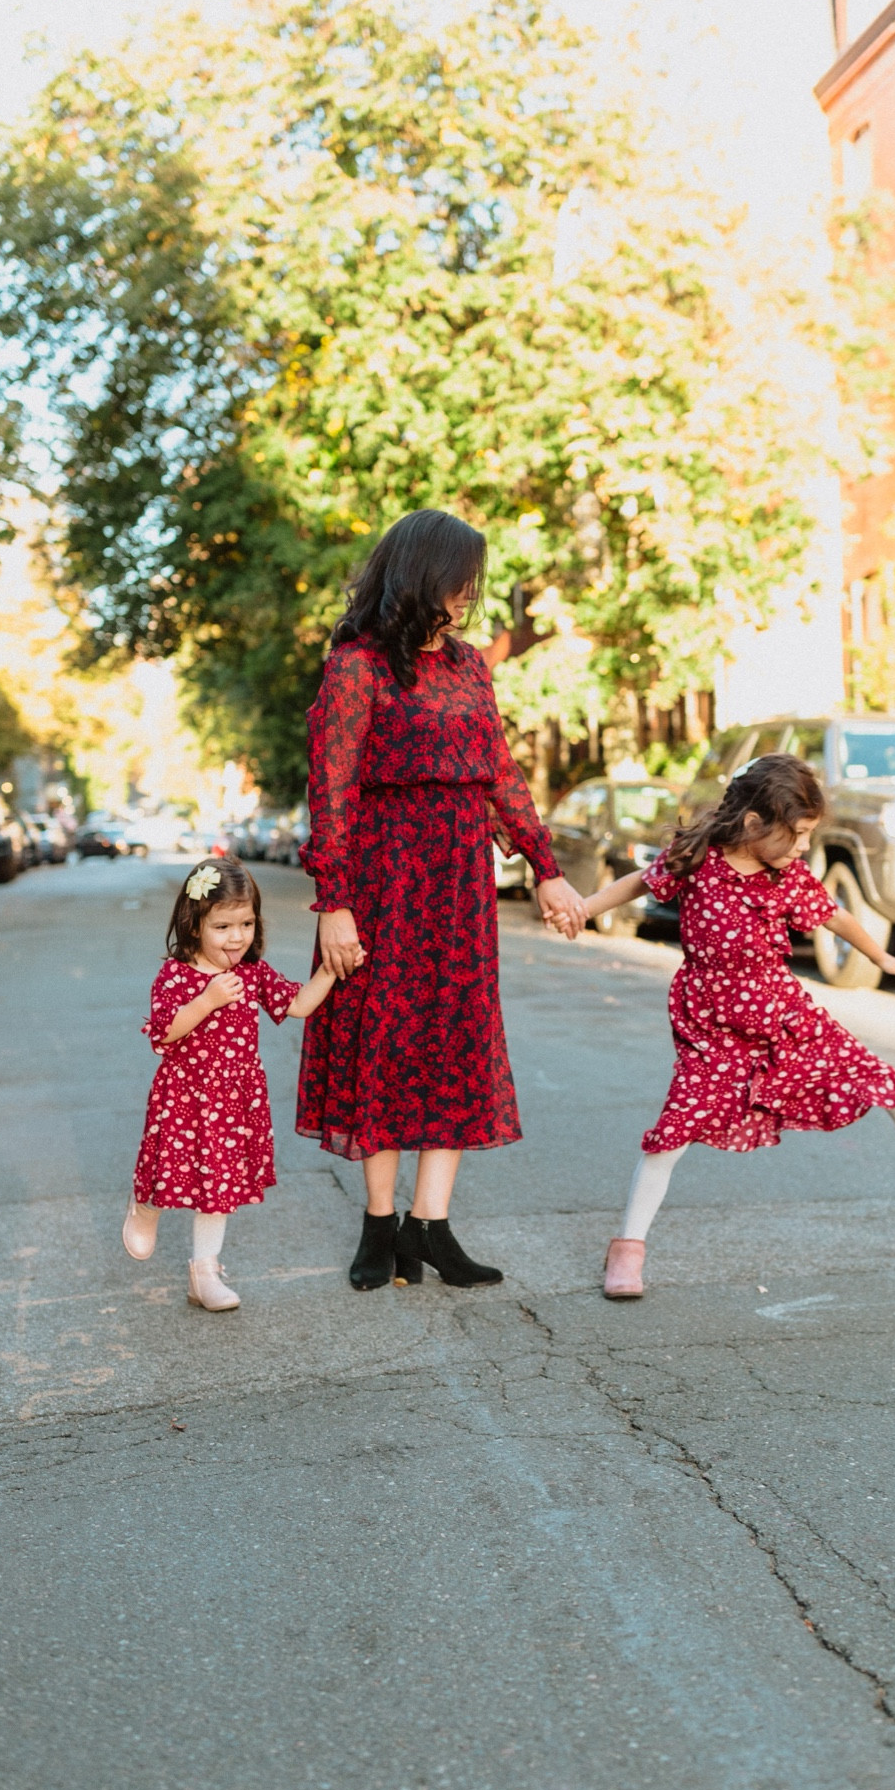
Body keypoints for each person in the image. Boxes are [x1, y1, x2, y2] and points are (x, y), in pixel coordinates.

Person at [580, 754, 895, 1301]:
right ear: (753, 823)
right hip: (711, 1022)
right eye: (800, 833)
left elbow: (836, 915)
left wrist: (879, 955)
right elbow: (637, 883)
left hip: (783, 1011)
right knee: (675, 1129)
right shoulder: (696, 859)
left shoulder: (787, 876)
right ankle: (627, 1250)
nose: (805, 846)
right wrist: (584, 907)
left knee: (880, 1079)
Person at [296, 508, 585, 1291]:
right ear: (418, 574)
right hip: (382, 881)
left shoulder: (468, 667)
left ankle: (431, 1227)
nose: (466, 595)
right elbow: (332, 789)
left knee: (455, 1044)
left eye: (473, 583)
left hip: (460, 887)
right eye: (456, 580)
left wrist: (545, 864)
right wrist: (335, 901)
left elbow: (500, 772)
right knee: (381, 1044)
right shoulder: (356, 667)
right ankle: (379, 1226)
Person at [123, 858, 334, 1310]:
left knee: (218, 1187)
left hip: (235, 1100)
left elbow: (297, 1004)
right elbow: (164, 1030)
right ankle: (145, 1206)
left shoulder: (252, 973)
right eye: (222, 926)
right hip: (183, 1096)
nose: (236, 937)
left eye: (246, 923)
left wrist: (331, 970)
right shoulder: (177, 975)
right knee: (167, 1168)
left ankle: (204, 1272)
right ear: (194, 924)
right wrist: (207, 999)